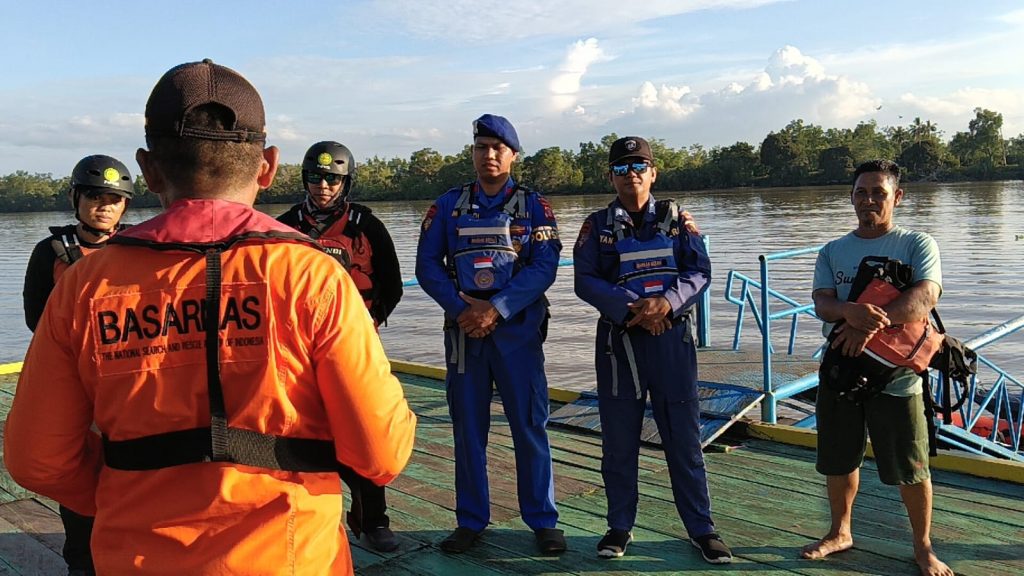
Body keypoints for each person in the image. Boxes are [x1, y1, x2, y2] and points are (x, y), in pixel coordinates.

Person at [4, 59, 417, 576]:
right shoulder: (314, 276)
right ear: (267, 166)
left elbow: (34, 459)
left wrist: (128, 493)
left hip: (137, 554)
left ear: (149, 170)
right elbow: (380, 453)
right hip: (292, 556)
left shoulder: (85, 285)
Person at [573, 136, 732, 564]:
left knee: (684, 438)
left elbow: (699, 271)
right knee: (619, 440)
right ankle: (619, 527)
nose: (632, 175)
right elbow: (584, 279)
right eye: (622, 169)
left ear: (654, 172)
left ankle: (702, 528)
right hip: (619, 344)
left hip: (670, 340)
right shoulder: (596, 226)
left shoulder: (678, 220)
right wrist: (632, 310)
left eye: (639, 166)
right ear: (611, 177)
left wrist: (666, 304)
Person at [415, 114, 566, 555]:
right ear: (473, 153)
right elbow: (426, 265)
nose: (489, 155)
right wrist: (464, 309)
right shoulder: (448, 206)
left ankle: (542, 520)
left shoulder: (534, 206)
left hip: (517, 333)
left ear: (513, 155)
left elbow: (544, 266)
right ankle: (470, 520)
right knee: (468, 429)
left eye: (498, 148)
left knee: (529, 425)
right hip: (466, 335)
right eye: (482, 147)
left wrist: (497, 309)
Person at [804, 160, 952, 576]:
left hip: (896, 375)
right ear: (851, 197)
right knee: (838, 457)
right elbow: (822, 303)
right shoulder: (832, 250)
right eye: (861, 192)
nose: (869, 200)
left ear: (897, 197)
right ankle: (840, 532)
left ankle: (923, 547)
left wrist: (866, 328)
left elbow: (924, 298)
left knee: (911, 464)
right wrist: (849, 311)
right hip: (841, 370)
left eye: (879, 193)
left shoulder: (917, 244)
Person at [277, 140, 404, 552]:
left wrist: (367, 323)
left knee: (364, 426)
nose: (323, 185)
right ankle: (298, 519)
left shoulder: (367, 226)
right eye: (316, 177)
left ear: (345, 182)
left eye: (333, 178)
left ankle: (373, 520)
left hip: (355, 349)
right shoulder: (281, 227)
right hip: (295, 354)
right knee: (297, 433)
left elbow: (393, 284)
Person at [21, 153, 134, 575]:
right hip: (76, 383)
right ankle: (82, 563)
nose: (103, 205)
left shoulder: (140, 249)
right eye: (93, 196)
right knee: (79, 479)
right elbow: (37, 320)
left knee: (131, 475)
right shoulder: (50, 251)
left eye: (113, 198)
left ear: (125, 205)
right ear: (75, 198)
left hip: (126, 385)